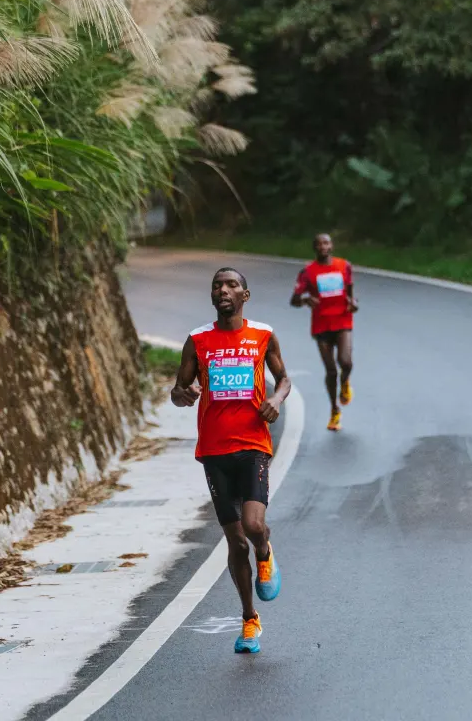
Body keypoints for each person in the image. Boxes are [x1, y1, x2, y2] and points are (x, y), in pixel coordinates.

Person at [171, 267, 292, 654]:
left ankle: (266, 552)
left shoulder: (262, 334)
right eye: (217, 286)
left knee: (254, 526)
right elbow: (178, 389)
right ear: (212, 296)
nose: (223, 290)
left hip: (254, 443)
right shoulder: (197, 339)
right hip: (214, 451)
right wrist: (183, 394)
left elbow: (284, 379)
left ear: (245, 295)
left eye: (231, 285)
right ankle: (249, 619)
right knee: (234, 543)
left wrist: (274, 400)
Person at [290, 233, 357, 431]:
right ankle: (334, 411)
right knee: (331, 371)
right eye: (319, 244)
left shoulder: (344, 266)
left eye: (326, 243)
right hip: (321, 326)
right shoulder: (308, 272)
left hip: (343, 320)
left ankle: (345, 384)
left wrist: (354, 303)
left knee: (346, 362)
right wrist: (304, 300)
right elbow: (293, 300)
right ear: (315, 248)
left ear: (332, 246)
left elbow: (351, 291)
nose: (323, 247)